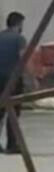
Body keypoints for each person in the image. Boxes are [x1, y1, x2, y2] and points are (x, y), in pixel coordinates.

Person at [0, 12, 25, 154]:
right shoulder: (19, 39)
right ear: (19, 24)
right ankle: (11, 145)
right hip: (13, 80)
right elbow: (23, 58)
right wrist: (31, 78)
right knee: (13, 111)